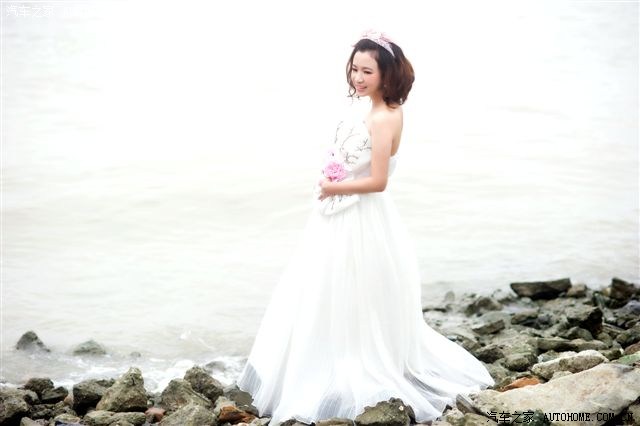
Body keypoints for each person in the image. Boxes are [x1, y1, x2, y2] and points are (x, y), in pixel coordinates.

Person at [235, 30, 494, 425]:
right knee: (322, 288)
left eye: (367, 71)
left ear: (387, 74)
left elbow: (378, 181)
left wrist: (333, 186)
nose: (357, 77)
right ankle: (319, 360)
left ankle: (346, 368)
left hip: (362, 217)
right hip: (339, 213)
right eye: (354, 69)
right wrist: (333, 179)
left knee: (351, 290)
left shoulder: (386, 116)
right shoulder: (370, 109)